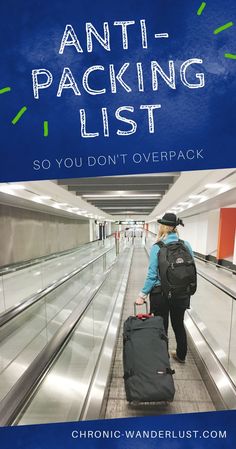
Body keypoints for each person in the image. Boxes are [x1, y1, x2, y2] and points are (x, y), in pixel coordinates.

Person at [135, 213, 195, 364]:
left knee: (161, 326)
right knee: (178, 323)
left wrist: (142, 295)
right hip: (181, 293)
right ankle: (181, 355)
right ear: (175, 228)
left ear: (163, 227)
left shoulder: (158, 247)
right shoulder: (186, 245)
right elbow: (191, 269)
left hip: (160, 294)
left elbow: (152, 275)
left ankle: (163, 359)